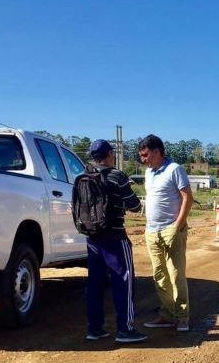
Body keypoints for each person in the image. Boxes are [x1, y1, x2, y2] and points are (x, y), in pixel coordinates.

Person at [84, 139, 148, 344]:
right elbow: (135, 205)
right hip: (115, 237)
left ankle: (95, 329)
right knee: (124, 281)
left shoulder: (83, 176)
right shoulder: (117, 176)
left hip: (92, 238)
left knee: (94, 284)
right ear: (110, 154)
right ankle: (125, 330)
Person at [138, 134, 194, 332]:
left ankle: (182, 317)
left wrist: (178, 226)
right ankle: (167, 314)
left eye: (145, 155)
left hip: (172, 229)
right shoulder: (148, 173)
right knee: (160, 275)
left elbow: (187, 197)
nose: (143, 160)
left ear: (157, 151)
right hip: (152, 231)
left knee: (176, 274)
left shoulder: (174, 169)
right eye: (142, 156)